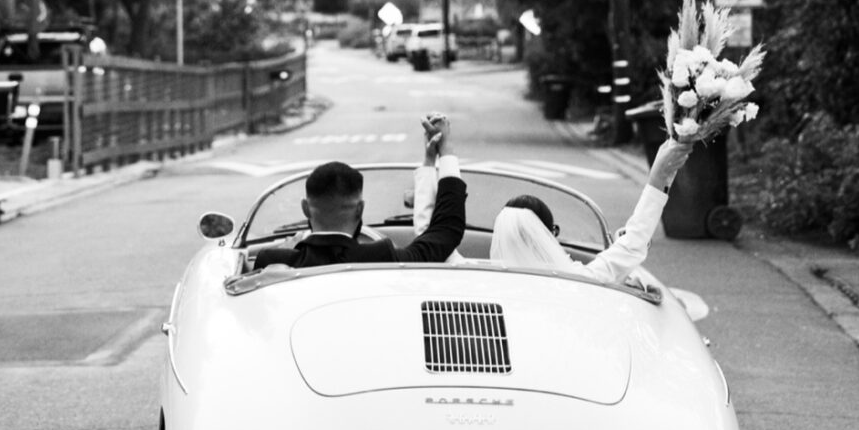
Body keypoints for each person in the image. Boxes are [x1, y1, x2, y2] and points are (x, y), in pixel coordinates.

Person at [254, 114, 465, 268]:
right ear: (360, 209)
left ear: (305, 209)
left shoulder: (271, 261)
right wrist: (444, 151)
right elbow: (446, 229)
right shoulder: (383, 257)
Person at [486, 136, 695, 283]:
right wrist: (658, 178)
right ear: (547, 236)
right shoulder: (573, 280)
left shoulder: (486, 285)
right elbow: (631, 247)